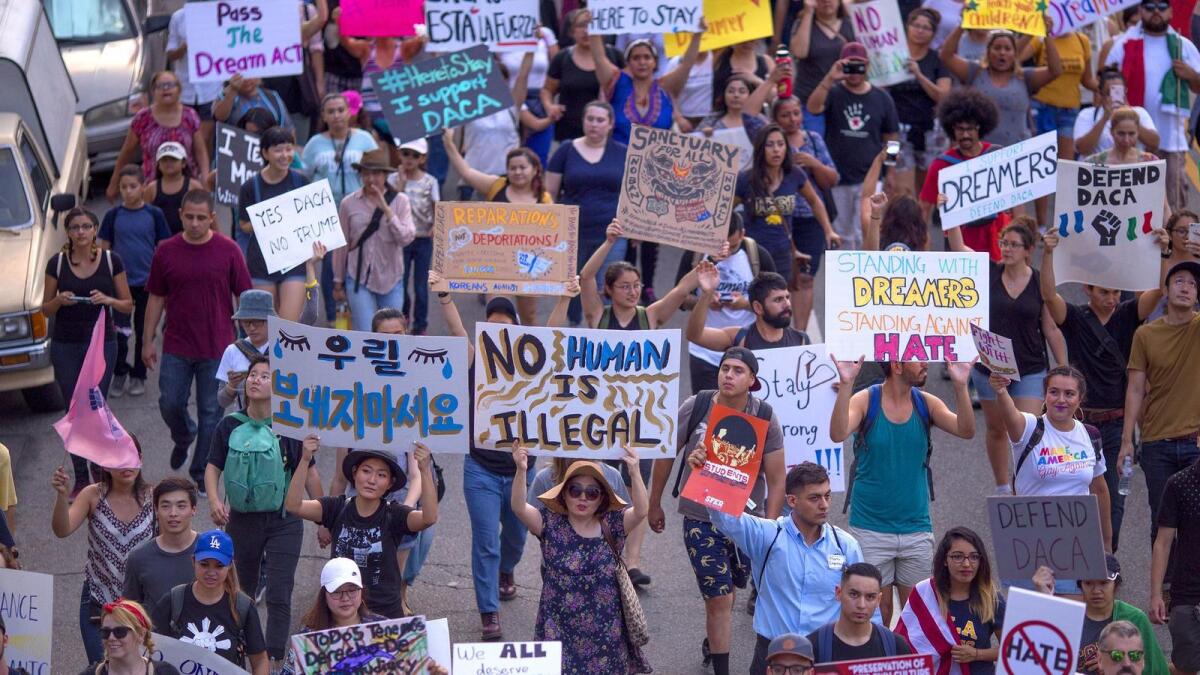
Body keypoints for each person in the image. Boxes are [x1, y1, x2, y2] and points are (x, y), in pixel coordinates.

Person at [648, 347, 788, 675]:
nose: (729, 375)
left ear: (752, 380)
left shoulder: (765, 416)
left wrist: (769, 526)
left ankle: (715, 638)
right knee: (720, 597)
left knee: (734, 584)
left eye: (738, 370)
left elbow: (778, 477)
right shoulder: (696, 406)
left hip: (744, 519)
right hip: (700, 515)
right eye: (725, 368)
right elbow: (667, 453)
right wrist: (654, 503)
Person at [1039, 227, 1166, 552]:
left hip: (1115, 424)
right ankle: (1077, 552)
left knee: (1113, 495)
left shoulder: (1127, 314)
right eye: (1104, 292)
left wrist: (1163, 253)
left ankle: (1107, 558)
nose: (1111, 299)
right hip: (1080, 424)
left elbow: (1157, 292)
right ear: (1088, 290)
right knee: (1074, 491)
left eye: (1115, 293)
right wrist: (1049, 252)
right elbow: (1049, 296)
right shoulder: (1076, 318)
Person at [829, 356, 976, 623]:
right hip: (870, 530)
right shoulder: (865, 400)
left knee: (917, 618)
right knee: (875, 617)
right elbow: (838, 433)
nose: (926, 364)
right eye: (917, 359)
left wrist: (960, 385)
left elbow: (966, 430)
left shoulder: (925, 403)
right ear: (896, 366)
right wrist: (847, 384)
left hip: (916, 530)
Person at [205, 355, 322, 670]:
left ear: (280, 386)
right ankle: (241, 654)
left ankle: (274, 659)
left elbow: (308, 473)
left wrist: (323, 518)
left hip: (285, 520)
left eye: (264, 375)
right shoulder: (229, 424)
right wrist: (215, 500)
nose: (255, 380)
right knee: (241, 592)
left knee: (280, 593)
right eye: (252, 375)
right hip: (241, 520)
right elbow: (213, 466)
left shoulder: (292, 427)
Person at [704, 462, 867, 675]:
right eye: (815, 498)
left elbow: (863, 602)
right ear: (792, 501)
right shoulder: (767, 535)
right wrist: (708, 467)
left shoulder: (846, 546)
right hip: (771, 653)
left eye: (827, 496)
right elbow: (722, 516)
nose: (825, 505)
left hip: (825, 656)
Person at [510, 444, 651, 674]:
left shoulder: (612, 524)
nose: (583, 497)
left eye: (592, 492)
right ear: (564, 494)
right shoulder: (549, 523)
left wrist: (634, 472)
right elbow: (518, 507)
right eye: (575, 490)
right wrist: (520, 470)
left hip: (606, 631)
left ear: (601, 499)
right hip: (558, 628)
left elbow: (641, 511)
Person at [143, 190, 252, 487]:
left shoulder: (228, 250)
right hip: (177, 345)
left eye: (201, 218)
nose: (194, 223)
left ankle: (201, 472)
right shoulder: (165, 251)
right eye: (189, 217)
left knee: (211, 412)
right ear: (180, 215)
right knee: (170, 403)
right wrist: (147, 340)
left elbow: (245, 295)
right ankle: (183, 435)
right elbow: (155, 298)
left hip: (218, 347)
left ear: (212, 218)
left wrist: (251, 340)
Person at [947, 222, 1066, 491]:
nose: (1007, 249)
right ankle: (1003, 487)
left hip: (1029, 368)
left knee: (1026, 431)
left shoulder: (1039, 283)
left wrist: (1065, 368)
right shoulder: (988, 272)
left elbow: (1050, 328)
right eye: (1004, 243)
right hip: (991, 369)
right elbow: (958, 247)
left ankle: (1026, 485)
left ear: (1028, 250)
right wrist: (951, 215)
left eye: (1014, 244)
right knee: (997, 429)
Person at [284, 437, 438, 620]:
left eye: (381, 475)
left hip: (385, 613)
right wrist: (304, 460)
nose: (372, 480)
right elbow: (293, 506)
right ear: (354, 473)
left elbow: (429, 518)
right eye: (366, 471)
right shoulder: (336, 508)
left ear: (390, 483)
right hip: (341, 615)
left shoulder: (394, 514)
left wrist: (425, 470)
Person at [990, 366, 1113, 588]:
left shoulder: (1090, 435)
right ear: (1045, 394)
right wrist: (1001, 392)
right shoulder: (1029, 427)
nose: (1061, 399)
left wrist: (1106, 545)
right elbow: (1010, 415)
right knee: (1033, 619)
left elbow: (1100, 490)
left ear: (1080, 399)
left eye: (1069, 394)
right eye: (1054, 392)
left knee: (1073, 616)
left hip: (1077, 547)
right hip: (1031, 545)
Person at [43, 208, 134, 494]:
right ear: (68, 232)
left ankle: (99, 469)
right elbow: (45, 310)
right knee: (74, 410)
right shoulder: (57, 263)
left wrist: (107, 299)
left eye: (86, 226)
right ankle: (82, 475)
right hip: (66, 344)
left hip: (102, 343)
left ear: (95, 230)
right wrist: (59, 300)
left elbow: (127, 304)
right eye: (74, 227)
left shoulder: (111, 260)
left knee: (95, 408)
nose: (81, 232)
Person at [1122, 260, 1200, 587]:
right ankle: (1166, 586)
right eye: (1178, 281)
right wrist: (1127, 439)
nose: (1185, 287)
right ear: (1165, 291)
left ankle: (1190, 586)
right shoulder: (1146, 334)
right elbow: (1136, 388)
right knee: (1162, 517)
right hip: (1156, 443)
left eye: (1193, 284)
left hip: (1195, 440)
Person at [51, 454, 154, 665]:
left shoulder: (154, 497)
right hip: (98, 602)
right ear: (105, 464)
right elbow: (62, 529)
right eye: (118, 459)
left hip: (142, 605)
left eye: (131, 457)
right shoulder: (92, 495)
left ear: (141, 459)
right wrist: (61, 496)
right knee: (102, 668)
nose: (126, 465)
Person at [442, 133, 551, 325]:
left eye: (522, 167)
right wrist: (449, 143)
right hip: (496, 264)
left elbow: (554, 235)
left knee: (529, 316)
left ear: (534, 170)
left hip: (528, 265)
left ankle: (529, 352)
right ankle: (494, 352)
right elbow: (466, 172)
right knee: (497, 316)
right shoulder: (496, 185)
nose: (518, 172)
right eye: (512, 168)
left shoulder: (544, 199)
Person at [1105, 0, 1200, 210]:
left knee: (1174, 206)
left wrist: (1191, 75)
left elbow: (1198, 86)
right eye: (1149, 7)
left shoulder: (1182, 45)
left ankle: (1171, 244)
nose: (1155, 11)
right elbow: (1108, 83)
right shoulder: (1124, 44)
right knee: (1133, 205)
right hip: (1131, 140)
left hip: (1171, 141)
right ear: (1140, 10)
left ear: (1170, 12)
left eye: (1161, 6)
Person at [807, 42, 900, 251]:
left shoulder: (882, 98)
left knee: (868, 229)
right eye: (850, 66)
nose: (855, 72)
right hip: (840, 176)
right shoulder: (833, 93)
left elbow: (892, 137)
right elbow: (813, 107)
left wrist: (891, 171)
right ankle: (845, 279)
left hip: (872, 175)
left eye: (860, 66)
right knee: (842, 234)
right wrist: (830, 77)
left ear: (867, 66)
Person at [545, 101, 629, 326]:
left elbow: (633, 196)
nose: (594, 124)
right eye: (590, 119)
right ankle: (574, 329)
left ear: (610, 124)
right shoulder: (565, 150)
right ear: (583, 121)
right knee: (572, 286)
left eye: (600, 120)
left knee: (610, 286)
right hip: (572, 234)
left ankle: (604, 334)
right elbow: (549, 193)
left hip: (612, 235)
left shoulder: (623, 153)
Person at [678, 219, 779, 392]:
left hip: (746, 351)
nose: (726, 253)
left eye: (732, 247)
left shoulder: (756, 255)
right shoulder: (696, 254)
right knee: (707, 412)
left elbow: (775, 301)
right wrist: (704, 301)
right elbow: (680, 297)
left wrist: (745, 304)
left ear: (742, 234)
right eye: (720, 246)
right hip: (704, 352)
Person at [152, 530, 268, 674]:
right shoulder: (174, 600)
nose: (211, 572)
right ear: (193, 561)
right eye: (204, 564)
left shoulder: (243, 607)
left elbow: (260, 660)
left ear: (230, 565)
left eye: (219, 566)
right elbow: (151, 648)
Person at [735, 123, 839, 284]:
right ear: (760, 149)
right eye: (770, 145)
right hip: (752, 254)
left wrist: (828, 230)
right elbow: (725, 211)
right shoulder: (745, 180)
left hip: (783, 253)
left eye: (781, 144)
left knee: (778, 302)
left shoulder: (794, 174)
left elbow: (814, 201)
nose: (776, 150)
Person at [1031, 555, 1167, 675]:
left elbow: (1156, 670)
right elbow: (1038, 661)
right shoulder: (1067, 618)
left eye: (1104, 583)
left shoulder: (1135, 618)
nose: (1096, 590)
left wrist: (1116, 666)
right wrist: (1044, 602)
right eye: (1089, 583)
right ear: (1081, 586)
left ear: (1116, 585)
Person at [99, 167, 168, 401]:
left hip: (148, 284)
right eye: (123, 187)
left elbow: (164, 247)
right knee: (119, 332)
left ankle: (139, 375)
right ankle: (119, 371)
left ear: (143, 186)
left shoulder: (154, 214)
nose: (128, 192)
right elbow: (104, 247)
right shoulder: (113, 216)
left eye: (133, 186)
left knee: (143, 331)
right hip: (121, 286)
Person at [771, 96, 839, 329]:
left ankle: (799, 334)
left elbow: (831, 180)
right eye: (785, 115)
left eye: (796, 113)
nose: (792, 120)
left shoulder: (813, 139)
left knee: (806, 278)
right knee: (783, 277)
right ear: (776, 119)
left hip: (811, 221)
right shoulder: (773, 143)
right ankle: (780, 329)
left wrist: (814, 164)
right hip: (781, 219)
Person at [940, 19, 1062, 148]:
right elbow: (946, 56)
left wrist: (1047, 35)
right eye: (997, 48)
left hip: (1018, 152)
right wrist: (963, 24)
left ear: (1014, 54)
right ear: (988, 52)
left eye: (1007, 49)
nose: (1002, 53)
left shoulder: (1025, 77)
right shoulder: (974, 71)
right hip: (978, 153)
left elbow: (1055, 71)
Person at [898, 527, 1004, 675]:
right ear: (945, 560)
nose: (967, 564)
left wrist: (977, 654)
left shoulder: (991, 598)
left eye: (974, 557)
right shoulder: (925, 593)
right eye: (958, 556)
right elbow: (902, 645)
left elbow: (1012, 650)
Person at [686, 267, 811, 392]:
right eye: (778, 300)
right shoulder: (739, 337)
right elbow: (695, 335)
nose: (787, 304)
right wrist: (707, 295)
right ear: (758, 307)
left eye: (787, 297)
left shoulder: (802, 340)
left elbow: (810, 386)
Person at [331, 148, 416, 331]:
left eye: (376, 173)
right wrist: (337, 281)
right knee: (366, 335)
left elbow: (406, 238)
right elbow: (341, 245)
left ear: (385, 175)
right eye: (366, 173)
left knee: (392, 335)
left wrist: (387, 210)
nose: (371, 179)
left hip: (391, 279)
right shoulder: (348, 203)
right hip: (358, 279)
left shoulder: (401, 201)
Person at [589, 12, 704, 146]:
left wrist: (698, 34)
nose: (642, 62)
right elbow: (599, 58)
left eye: (647, 57)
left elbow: (686, 65)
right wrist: (593, 26)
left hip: (658, 163)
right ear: (628, 63)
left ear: (655, 62)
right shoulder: (616, 82)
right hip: (619, 162)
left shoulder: (666, 86)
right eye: (636, 58)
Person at [920, 89, 1006, 259]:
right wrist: (921, 245)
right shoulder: (942, 164)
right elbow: (924, 207)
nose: (965, 135)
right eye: (960, 129)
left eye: (970, 129)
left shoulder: (996, 156)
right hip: (958, 243)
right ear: (951, 129)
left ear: (979, 127)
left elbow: (1016, 202)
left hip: (997, 239)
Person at [237, 126, 310, 322]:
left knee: (288, 326)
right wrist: (270, 221)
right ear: (265, 153)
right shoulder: (250, 186)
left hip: (294, 262)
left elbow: (311, 218)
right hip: (262, 263)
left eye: (288, 149)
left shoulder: (301, 181)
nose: (285, 155)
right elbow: (244, 225)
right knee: (266, 324)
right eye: (278, 150)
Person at [107, 70, 209, 200]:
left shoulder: (190, 115)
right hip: (152, 189)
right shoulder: (142, 118)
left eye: (170, 85)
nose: (166, 90)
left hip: (187, 187)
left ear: (179, 89)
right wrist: (114, 182)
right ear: (153, 92)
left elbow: (200, 151)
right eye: (161, 86)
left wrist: (205, 177)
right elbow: (126, 152)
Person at [579, 220, 699, 330]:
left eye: (636, 285)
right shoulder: (598, 316)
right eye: (625, 286)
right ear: (609, 289)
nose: (633, 292)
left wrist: (709, 259)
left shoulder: (650, 316)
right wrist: (609, 242)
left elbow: (682, 290)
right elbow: (586, 277)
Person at [886, 7, 952, 197]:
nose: (920, 30)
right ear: (907, 26)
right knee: (900, 190)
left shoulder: (936, 60)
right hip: (895, 132)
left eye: (926, 28)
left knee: (926, 194)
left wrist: (918, 74)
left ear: (933, 34)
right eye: (916, 25)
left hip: (929, 132)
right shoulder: (891, 54)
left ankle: (920, 227)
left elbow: (943, 96)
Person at [1149, 450, 1200, 675]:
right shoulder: (1179, 484)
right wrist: (1156, 595)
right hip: (1187, 594)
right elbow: (1163, 543)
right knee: (1186, 667)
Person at [541, 9, 626, 143]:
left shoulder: (615, 56)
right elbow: (547, 90)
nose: (586, 31)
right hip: (569, 133)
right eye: (581, 25)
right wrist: (550, 106)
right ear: (572, 31)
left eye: (591, 25)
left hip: (609, 134)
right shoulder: (562, 58)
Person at [807, 563, 913, 663]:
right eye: (854, 594)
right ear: (838, 593)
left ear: (878, 600)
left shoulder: (897, 646)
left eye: (870, 597)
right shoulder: (812, 647)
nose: (861, 605)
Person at [122, 477, 199, 611]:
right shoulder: (138, 558)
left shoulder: (211, 551)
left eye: (181, 506)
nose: (173, 513)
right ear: (156, 510)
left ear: (193, 509)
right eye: (165, 506)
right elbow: (130, 613)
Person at [390, 139, 439, 335]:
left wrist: (436, 225)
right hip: (401, 239)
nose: (409, 159)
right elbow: (391, 206)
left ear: (422, 158)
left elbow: (436, 207)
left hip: (422, 238)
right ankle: (402, 318)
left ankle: (420, 325)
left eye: (415, 155)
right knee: (399, 282)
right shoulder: (393, 179)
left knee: (420, 285)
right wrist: (400, 185)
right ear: (399, 154)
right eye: (406, 153)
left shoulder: (430, 181)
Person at [789, 0, 856, 135]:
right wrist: (808, 12)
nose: (826, 1)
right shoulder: (803, 23)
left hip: (844, 102)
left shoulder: (850, 23)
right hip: (808, 99)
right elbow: (799, 52)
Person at [80, 598, 181, 675]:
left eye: (119, 631)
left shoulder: (165, 672)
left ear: (141, 634)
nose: (111, 637)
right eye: (105, 632)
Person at [1075, 68, 1160, 156]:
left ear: (1125, 91)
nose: (1113, 97)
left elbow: (1154, 143)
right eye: (1109, 93)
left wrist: (1130, 115)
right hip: (1098, 167)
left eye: (1118, 92)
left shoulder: (1139, 113)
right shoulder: (1087, 115)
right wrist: (1104, 118)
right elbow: (1081, 149)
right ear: (1100, 93)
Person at [215, 290, 273, 410]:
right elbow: (221, 401)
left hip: (277, 422)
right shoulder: (233, 351)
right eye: (246, 322)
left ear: (270, 320)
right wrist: (231, 386)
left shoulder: (283, 348)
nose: (251, 327)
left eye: (257, 322)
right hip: (245, 424)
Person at [699, 72, 781, 148]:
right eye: (731, 91)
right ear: (724, 95)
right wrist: (703, 135)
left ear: (750, 95)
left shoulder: (761, 121)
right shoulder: (711, 120)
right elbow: (694, 146)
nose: (736, 95)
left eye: (742, 92)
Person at [141, 142, 204, 239]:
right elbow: (144, 218)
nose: (168, 163)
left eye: (173, 159)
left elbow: (207, 214)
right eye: (164, 160)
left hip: (190, 239)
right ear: (158, 164)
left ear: (183, 163)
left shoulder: (194, 186)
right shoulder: (151, 188)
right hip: (161, 241)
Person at [213, 74, 293, 133]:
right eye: (242, 76)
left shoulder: (272, 97)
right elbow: (219, 117)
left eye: (250, 74)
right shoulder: (225, 95)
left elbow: (289, 130)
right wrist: (232, 91)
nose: (247, 80)